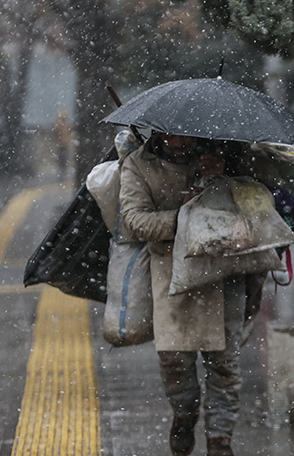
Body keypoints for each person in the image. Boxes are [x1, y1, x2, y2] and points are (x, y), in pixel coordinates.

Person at [118, 132, 246, 456]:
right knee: (174, 358)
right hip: (170, 268)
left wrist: (221, 179)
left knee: (225, 362)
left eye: (185, 136)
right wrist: (185, 215)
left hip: (223, 267)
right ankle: (184, 415)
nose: (178, 142)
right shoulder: (137, 166)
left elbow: (251, 206)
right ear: (157, 131)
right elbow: (134, 221)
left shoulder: (223, 152)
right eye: (170, 136)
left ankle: (220, 439)